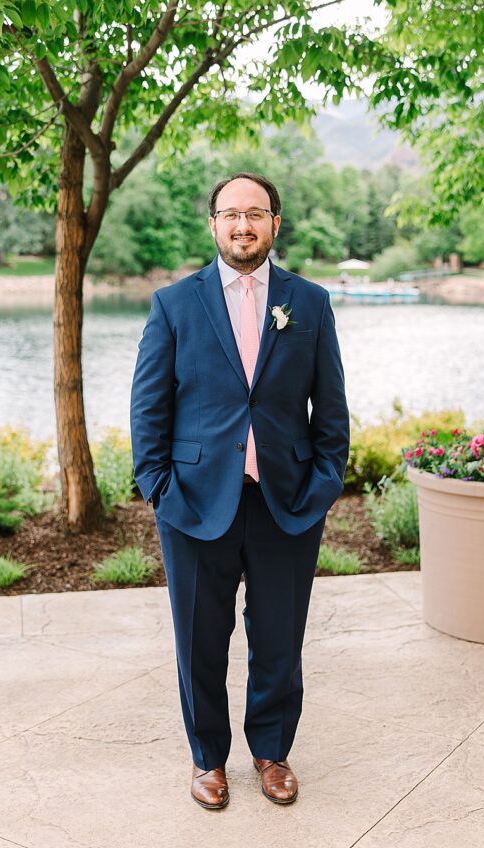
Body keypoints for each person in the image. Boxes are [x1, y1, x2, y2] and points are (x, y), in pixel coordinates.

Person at [130, 171, 349, 810]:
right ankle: (207, 759)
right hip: (195, 503)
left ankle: (272, 752)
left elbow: (330, 407)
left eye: (256, 214)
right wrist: (158, 488)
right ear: (214, 224)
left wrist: (325, 481)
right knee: (199, 638)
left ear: (275, 224)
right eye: (231, 214)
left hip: (288, 500)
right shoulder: (174, 303)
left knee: (279, 635)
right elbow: (149, 408)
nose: (243, 226)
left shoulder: (309, 303)